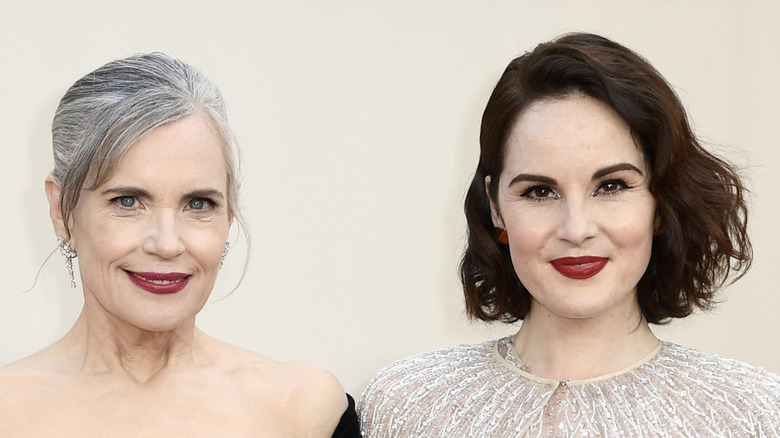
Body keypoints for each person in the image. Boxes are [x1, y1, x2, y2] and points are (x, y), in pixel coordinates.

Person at [359, 32, 780, 436]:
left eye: (612, 186)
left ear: (660, 200)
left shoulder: (754, 413)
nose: (576, 230)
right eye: (539, 192)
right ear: (495, 207)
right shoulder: (405, 405)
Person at [0, 53, 361, 437]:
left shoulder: (303, 409)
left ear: (229, 213)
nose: (167, 244)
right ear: (61, 210)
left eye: (198, 203)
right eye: (128, 201)